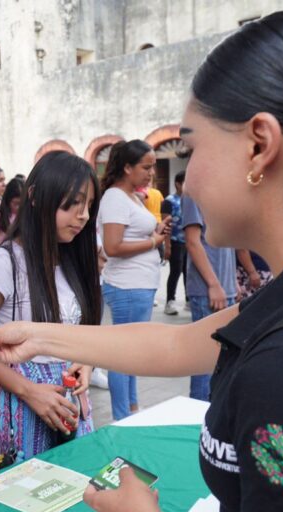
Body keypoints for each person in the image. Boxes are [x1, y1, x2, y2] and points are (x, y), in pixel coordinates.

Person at [0, 9, 283, 512]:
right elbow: (179, 342)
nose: (184, 178)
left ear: (259, 145)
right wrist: (38, 337)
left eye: (192, 149)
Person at [0, 151, 100, 460]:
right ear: (37, 197)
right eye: (75, 202)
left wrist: (87, 362)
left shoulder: (72, 261)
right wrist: (30, 391)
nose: (83, 215)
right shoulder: (3, 264)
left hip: (72, 404)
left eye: (90, 206)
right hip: (23, 408)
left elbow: (85, 329)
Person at [98, 140, 171, 420]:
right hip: (128, 286)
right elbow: (113, 247)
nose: (151, 172)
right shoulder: (115, 197)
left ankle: (131, 409)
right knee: (123, 355)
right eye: (146, 166)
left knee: (131, 354)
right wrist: (153, 240)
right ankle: (123, 416)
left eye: (152, 166)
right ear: (127, 168)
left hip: (139, 284)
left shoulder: (131, 196)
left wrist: (156, 231)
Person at [182, 192, 237, 401]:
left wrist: (231, 282)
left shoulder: (222, 187)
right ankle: (195, 421)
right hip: (208, 291)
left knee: (221, 365)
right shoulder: (193, 192)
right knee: (203, 365)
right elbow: (193, 242)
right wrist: (214, 284)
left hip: (225, 288)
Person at [163, 171, 187, 315]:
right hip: (175, 242)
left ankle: (189, 300)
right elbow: (167, 225)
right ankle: (170, 301)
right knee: (175, 271)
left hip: (189, 242)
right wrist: (167, 245)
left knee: (188, 272)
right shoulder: (169, 201)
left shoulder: (190, 199)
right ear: (177, 183)